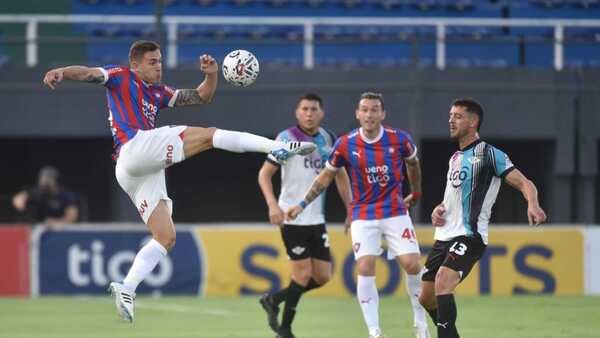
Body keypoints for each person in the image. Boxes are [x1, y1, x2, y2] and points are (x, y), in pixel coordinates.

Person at [42, 40, 316, 323]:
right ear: (135, 64)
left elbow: (201, 97)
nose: (158, 66)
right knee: (210, 135)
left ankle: (127, 287)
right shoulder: (121, 76)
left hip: (134, 170)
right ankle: (276, 147)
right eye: (152, 62)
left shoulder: (159, 93)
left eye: (160, 61)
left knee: (165, 237)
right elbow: (87, 73)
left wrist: (211, 75)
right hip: (136, 146)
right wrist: (62, 70)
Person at [286, 92, 430, 338]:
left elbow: (413, 165)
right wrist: (301, 203)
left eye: (374, 110)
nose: (369, 114)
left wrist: (416, 193)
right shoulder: (345, 143)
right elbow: (326, 177)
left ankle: (420, 323)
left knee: (412, 264)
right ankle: (374, 331)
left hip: (394, 210)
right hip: (363, 214)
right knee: (365, 266)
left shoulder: (399, 139)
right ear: (357, 114)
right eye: (365, 110)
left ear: (382, 114)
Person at [417, 98, 547, 338]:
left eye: (457, 116)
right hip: (444, 235)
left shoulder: (489, 154)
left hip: (470, 236)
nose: (450, 120)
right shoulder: (455, 158)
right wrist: (440, 208)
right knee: (426, 296)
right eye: (450, 115)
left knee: (444, 280)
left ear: (473, 121)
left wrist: (533, 203)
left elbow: (524, 182)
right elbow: (452, 197)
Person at [257, 93, 352, 338]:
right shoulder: (286, 139)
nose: (309, 113)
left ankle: (274, 299)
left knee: (322, 276)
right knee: (302, 274)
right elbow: (264, 174)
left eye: (313, 109)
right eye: (305, 109)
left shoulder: (329, 139)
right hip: (291, 216)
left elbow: (340, 175)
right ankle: (285, 329)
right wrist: (272, 205)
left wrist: (351, 209)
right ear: (297, 112)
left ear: (321, 113)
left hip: (316, 219)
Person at [12, 165, 78, 226]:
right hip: (39, 228)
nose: (45, 184)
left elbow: (72, 216)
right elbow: (18, 199)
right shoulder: (37, 192)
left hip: (61, 229)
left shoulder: (65, 195)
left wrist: (57, 223)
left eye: (48, 180)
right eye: (43, 180)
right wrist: (21, 202)